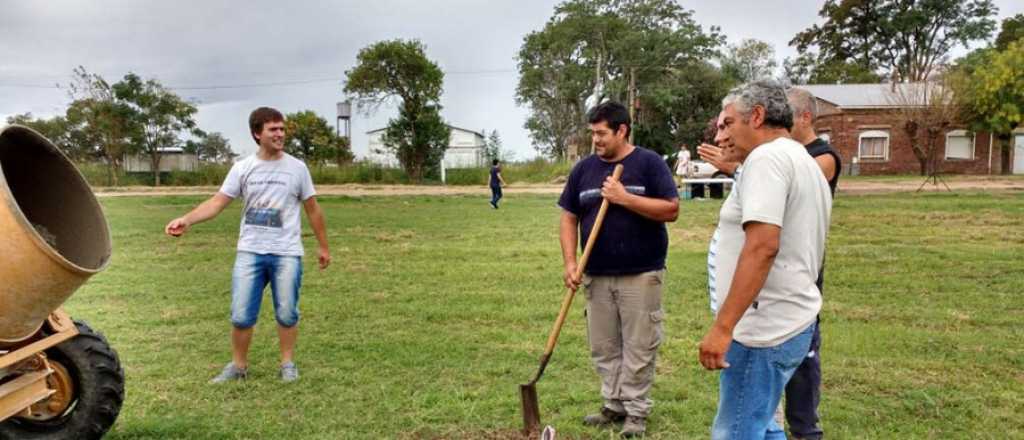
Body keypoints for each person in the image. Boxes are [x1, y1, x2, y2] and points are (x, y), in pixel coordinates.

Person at [698, 80, 832, 439]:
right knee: (763, 424)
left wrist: (723, 327)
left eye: (728, 124)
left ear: (756, 116)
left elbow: (763, 246)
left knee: (737, 430)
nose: (721, 135)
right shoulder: (799, 158)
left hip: (762, 329)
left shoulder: (767, 158)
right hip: (791, 319)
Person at [164, 107, 331, 383]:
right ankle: (238, 367)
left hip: (286, 252)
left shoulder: (297, 168)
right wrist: (187, 219)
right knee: (241, 314)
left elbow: (313, 209)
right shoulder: (242, 168)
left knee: (287, 311)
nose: (280, 134)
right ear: (257, 133)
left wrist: (323, 247)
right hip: (250, 252)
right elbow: (218, 202)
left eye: (282, 128)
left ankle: (287, 364)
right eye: (273, 129)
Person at [558, 101, 679, 438]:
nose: (595, 140)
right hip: (596, 274)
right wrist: (571, 262)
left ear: (622, 130)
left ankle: (636, 414)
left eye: (601, 133)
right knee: (604, 345)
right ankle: (614, 404)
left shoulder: (649, 163)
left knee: (640, 347)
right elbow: (568, 216)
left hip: (641, 274)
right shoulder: (583, 170)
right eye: (592, 133)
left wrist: (625, 198)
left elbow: (671, 209)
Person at [782, 87, 841, 440]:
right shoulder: (786, 154)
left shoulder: (824, 156)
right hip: (779, 263)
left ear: (805, 117)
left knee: (804, 352)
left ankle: (805, 430)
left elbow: (795, 188)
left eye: (785, 113)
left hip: (805, 265)